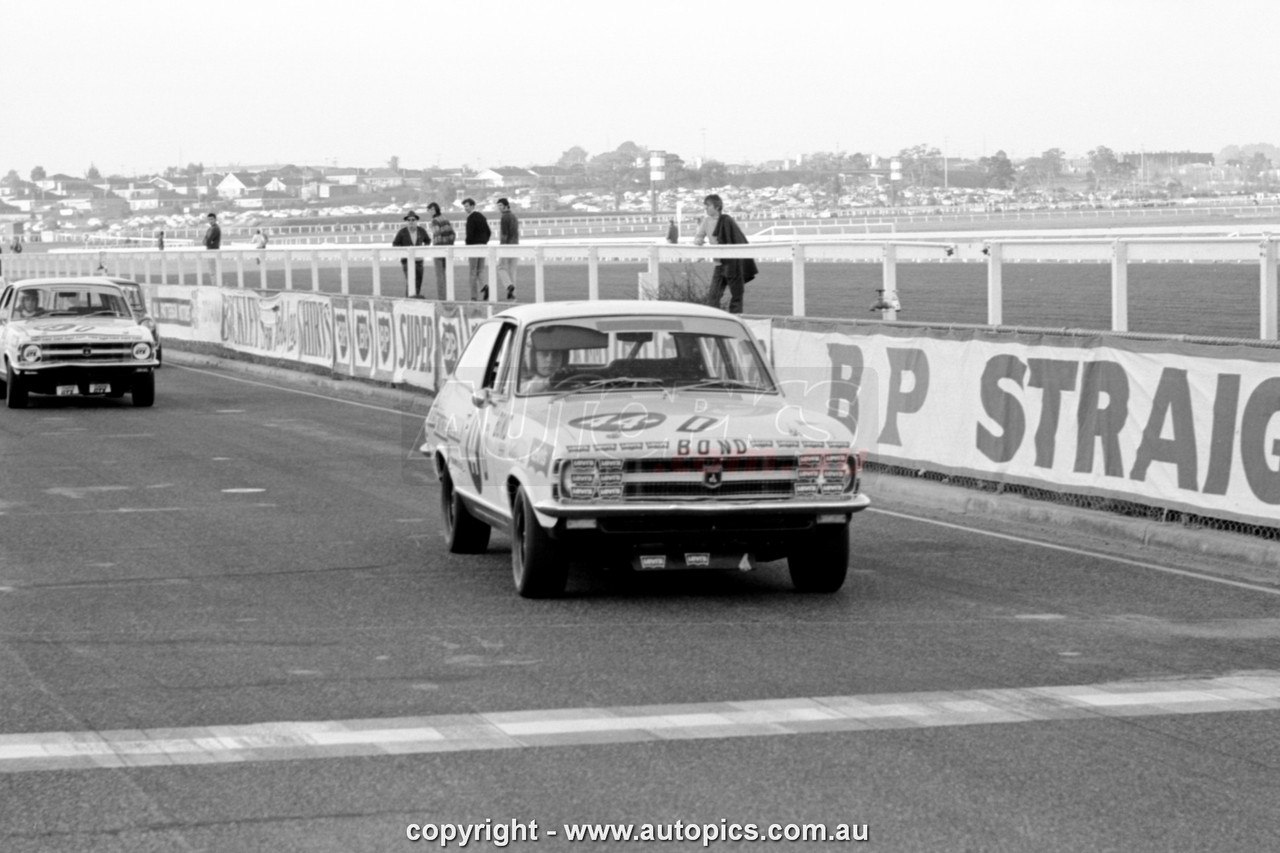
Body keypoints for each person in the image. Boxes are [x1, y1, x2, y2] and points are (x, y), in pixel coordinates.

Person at [692, 194, 757, 314]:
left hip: (733, 265)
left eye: (708, 205)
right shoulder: (706, 221)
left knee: (736, 296)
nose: (705, 208)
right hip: (718, 264)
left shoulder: (728, 220)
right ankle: (715, 320)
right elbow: (699, 236)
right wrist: (698, 240)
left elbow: (738, 239)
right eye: (705, 206)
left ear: (717, 206)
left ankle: (736, 319)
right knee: (713, 297)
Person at [392, 211, 431, 297]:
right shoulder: (402, 232)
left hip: (419, 261)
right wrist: (403, 252)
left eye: (413, 219)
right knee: (410, 282)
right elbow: (395, 244)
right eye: (409, 220)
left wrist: (423, 249)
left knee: (418, 282)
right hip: (407, 261)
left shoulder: (421, 231)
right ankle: (408, 302)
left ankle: (415, 300)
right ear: (406, 221)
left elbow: (428, 240)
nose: (411, 221)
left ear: (416, 221)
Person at [463, 197, 491, 301]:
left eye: (467, 206)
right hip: (483, 246)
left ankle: (474, 296)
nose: (465, 208)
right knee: (480, 269)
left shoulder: (470, 218)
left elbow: (469, 235)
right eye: (464, 206)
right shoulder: (482, 217)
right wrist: (484, 242)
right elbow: (489, 232)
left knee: (473, 272)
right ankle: (484, 286)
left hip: (473, 247)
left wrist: (468, 246)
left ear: (472, 206)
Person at [426, 202, 455, 300]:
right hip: (448, 249)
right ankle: (448, 296)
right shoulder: (445, 219)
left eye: (429, 210)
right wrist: (449, 245)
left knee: (440, 276)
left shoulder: (434, 221)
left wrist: (437, 249)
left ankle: (442, 298)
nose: (429, 212)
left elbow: (437, 234)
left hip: (439, 250)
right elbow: (452, 234)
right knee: (446, 275)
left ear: (433, 210)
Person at [497, 197, 519, 300]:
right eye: (498, 206)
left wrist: (502, 246)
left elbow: (504, 234)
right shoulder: (514, 216)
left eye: (500, 205)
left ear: (506, 205)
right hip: (515, 245)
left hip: (507, 245)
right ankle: (512, 294)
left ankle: (508, 285)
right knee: (512, 270)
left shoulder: (504, 217)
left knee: (500, 267)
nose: (499, 208)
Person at [202, 212, 221, 283]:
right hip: (210, 250)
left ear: (215, 219)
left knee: (213, 270)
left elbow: (207, 241)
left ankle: (216, 285)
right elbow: (204, 240)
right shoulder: (210, 228)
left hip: (213, 251)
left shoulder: (215, 228)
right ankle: (215, 284)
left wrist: (206, 241)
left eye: (212, 219)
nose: (210, 221)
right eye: (209, 219)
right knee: (212, 270)